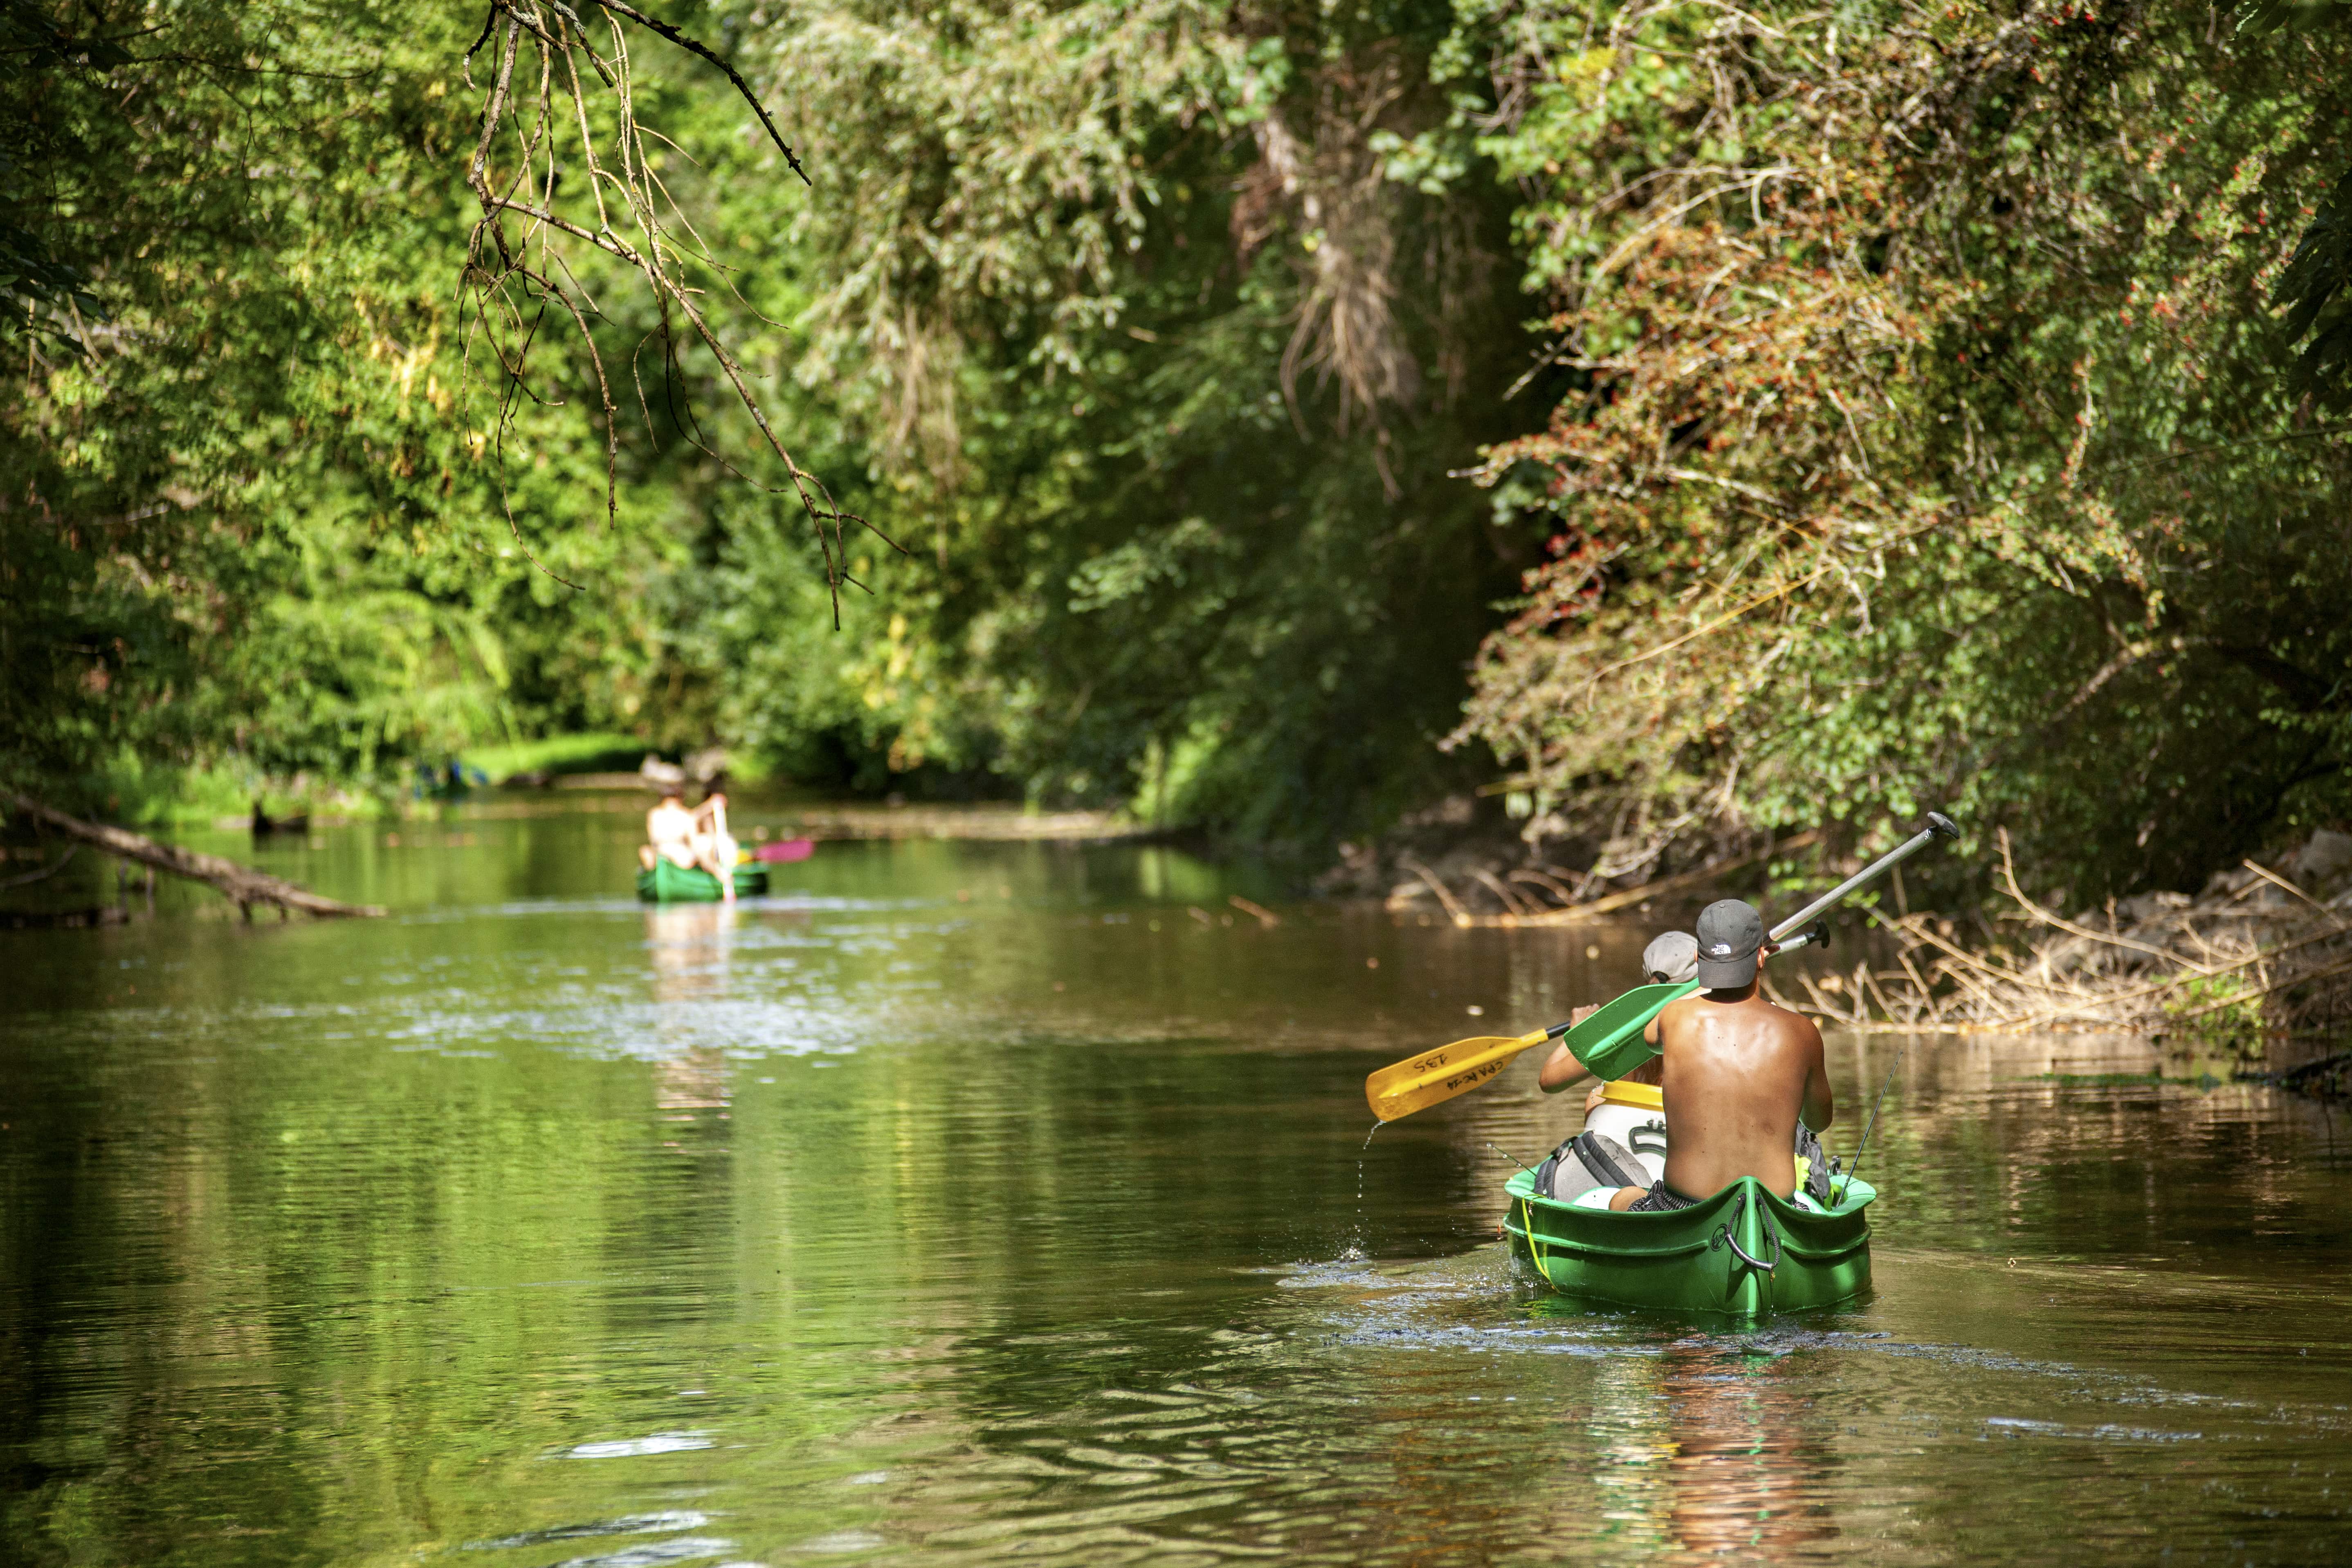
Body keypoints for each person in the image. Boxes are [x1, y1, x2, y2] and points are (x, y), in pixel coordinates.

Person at [1605, 898, 1832, 1211]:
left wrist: (1706, 982)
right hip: (1772, 1209)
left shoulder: (1673, 1019)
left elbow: (1649, 1036)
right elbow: (1818, 1121)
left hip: (1682, 1207)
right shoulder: (1803, 1032)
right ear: (1762, 959)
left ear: (1699, 959)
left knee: (1622, 1197)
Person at [639, 786, 739, 901]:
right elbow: (693, 837)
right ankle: (719, 874)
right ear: (679, 798)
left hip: (669, 854)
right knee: (702, 845)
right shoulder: (682, 815)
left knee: (702, 844)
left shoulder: (655, 814)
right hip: (672, 854)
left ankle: (716, 871)